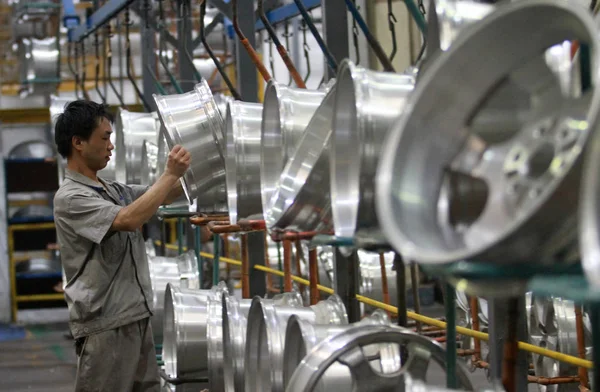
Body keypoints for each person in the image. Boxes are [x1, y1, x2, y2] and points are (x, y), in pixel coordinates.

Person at [52, 100, 191, 391]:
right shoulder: (71, 198)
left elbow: (163, 194)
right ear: (78, 142)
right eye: (105, 138)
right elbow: (128, 219)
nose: (111, 146)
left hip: (136, 317)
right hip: (105, 326)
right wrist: (169, 174)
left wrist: (198, 168)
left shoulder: (112, 190)